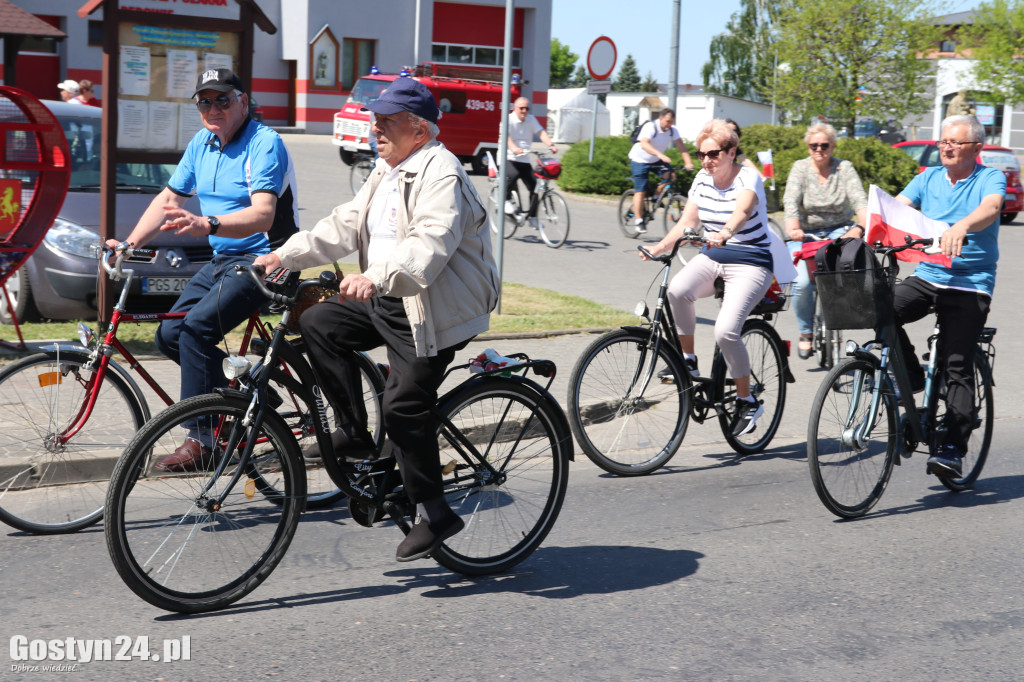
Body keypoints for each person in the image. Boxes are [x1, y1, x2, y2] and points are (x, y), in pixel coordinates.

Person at [253, 77, 499, 563]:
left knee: (403, 407)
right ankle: (352, 430)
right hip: (389, 296)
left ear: (419, 131)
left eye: (387, 121)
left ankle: (435, 512)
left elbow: (430, 242)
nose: (375, 128)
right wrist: (284, 255)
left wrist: (376, 275)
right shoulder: (387, 169)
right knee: (319, 321)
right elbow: (346, 223)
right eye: (375, 119)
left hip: (431, 310)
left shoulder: (441, 173)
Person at [104, 68, 298, 472]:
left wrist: (208, 224)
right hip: (224, 260)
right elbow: (169, 199)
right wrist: (129, 244)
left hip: (265, 260)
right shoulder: (202, 143)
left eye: (222, 99)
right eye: (204, 101)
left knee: (195, 331)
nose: (213, 108)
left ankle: (203, 439)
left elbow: (263, 215)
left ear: (242, 102)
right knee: (169, 334)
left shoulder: (264, 143)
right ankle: (245, 395)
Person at [641, 119, 773, 437]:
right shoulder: (702, 179)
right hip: (713, 256)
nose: (706, 161)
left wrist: (725, 232)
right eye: (701, 154)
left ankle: (747, 401)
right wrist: (659, 247)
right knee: (676, 290)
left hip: (751, 261)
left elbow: (742, 211)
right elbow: (687, 222)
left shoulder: (748, 177)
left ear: (731, 152)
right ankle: (688, 360)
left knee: (726, 331)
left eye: (713, 154)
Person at [893, 114, 1003, 477]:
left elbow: (991, 207)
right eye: (943, 141)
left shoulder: (989, 177)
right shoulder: (928, 178)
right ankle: (912, 377)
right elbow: (897, 207)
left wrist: (962, 225)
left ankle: (953, 447)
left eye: (955, 142)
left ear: (976, 147)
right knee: (881, 310)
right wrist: (863, 229)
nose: (946, 147)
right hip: (930, 274)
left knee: (957, 362)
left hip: (971, 282)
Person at [783, 121, 868, 358]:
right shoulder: (800, 168)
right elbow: (790, 202)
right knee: (801, 283)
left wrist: (861, 226)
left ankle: (840, 317)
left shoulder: (844, 168)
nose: (819, 150)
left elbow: (860, 201)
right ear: (808, 147)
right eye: (814, 146)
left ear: (833, 146)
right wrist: (793, 227)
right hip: (805, 232)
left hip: (839, 230)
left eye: (824, 145)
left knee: (845, 272)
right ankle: (805, 332)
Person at [627, 108, 694, 233]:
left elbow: (682, 147)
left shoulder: (672, 130)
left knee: (670, 176)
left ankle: (656, 197)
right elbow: (644, 144)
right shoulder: (650, 127)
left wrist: (688, 162)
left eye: (671, 122)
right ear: (661, 118)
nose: (669, 124)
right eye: (667, 121)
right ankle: (639, 221)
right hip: (639, 159)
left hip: (656, 159)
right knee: (641, 190)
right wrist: (660, 155)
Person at [505, 96, 558, 228]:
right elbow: (507, 138)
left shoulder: (531, 119)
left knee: (535, 186)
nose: (524, 111)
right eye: (521, 108)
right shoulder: (508, 119)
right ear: (515, 108)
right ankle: (505, 200)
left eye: (527, 108)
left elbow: (541, 133)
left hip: (524, 158)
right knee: (513, 174)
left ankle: (533, 217)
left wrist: (551, 145)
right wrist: (514, 148)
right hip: (508, 156)